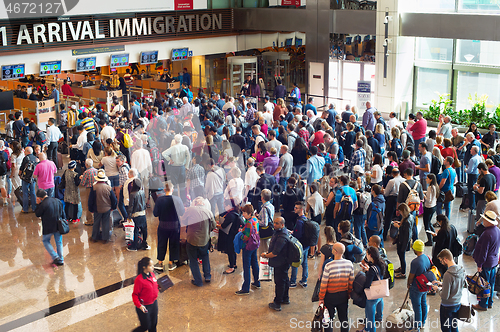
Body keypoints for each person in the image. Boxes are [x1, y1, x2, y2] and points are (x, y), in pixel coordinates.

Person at [319, 242, 354, 332]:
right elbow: (351, 282)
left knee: (328, 320)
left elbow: (324, 284)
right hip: (343, 295)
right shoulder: (349, 264)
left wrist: (321, 298)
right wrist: (349, 293)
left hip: (330, 296)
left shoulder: (328, 266)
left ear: (335, 251)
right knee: (344, 319)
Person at [181, 197, 216, 287]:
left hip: (192, 239)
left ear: (195, 203)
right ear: (203, 204)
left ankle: (198, 281)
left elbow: (183, 221)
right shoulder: (208, 212)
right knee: (205, 257)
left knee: (192, 260)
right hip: (204, 240)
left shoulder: (190, 210)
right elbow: (213, 225)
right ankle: (207, 276)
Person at [430, 249, 465, 332]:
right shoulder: (461, 270)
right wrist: (442, 283)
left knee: (446, 329)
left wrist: (437, 289)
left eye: (441, 261)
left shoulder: (448, 274)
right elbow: (457, 284)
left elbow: (445, 296)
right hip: (457, 304)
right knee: (454, 327)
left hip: (447, 306)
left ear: (445, 259)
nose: (441, 263)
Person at [153, 181, 185, 272]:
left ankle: (159, 263)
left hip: (162, 226)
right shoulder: (177, 199)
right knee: (173, 244)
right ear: (172, 189)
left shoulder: (159, 199)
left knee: (161, 244)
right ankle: (171, 263)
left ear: (164, 189)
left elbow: (155, 214)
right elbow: (182, 213)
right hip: (174, 226)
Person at [472, 210, 500, 311]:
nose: (483, 220)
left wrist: (479, 264)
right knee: (491, 284)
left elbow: (483, 252)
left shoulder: (486, 234)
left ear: (488, 221)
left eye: (484, 219)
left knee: (483, 285)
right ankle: (489, 302)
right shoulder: (497, 230)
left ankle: (483, 304)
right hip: (494, 262)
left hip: (486, 263)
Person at [359, 246, 386, 332]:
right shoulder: (381, 263)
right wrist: (368, 270)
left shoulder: (372, 269)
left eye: (366, 254)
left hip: (372, 295)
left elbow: (367, 284)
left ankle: (370, 330)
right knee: (378, 304)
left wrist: (367, 273)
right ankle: (368, 327)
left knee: (370, 317)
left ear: (370, 255)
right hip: (380, 292)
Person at [35, 189, 65, 266]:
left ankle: (55, 257)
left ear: (39, 198)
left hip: (48, 227)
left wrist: (38, 204)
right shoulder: (57, 200)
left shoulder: (43, 204)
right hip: (58, 225)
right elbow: (63, 213)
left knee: (46, 241)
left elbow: (38, 214)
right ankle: (61, 259)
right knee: (59, 242)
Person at [235, 204, 260, 295]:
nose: (243, 214)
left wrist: (241, 236)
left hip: (248, 246)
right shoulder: (254, 219)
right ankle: (257, 282)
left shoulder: (249, 223)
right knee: (254, 263)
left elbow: (246, 237)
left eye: (244, 213)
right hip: (255, 244)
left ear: (249, 213)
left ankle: (245, 288)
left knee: (246, 266)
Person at [407, 240, 432, 330]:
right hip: (425, 285)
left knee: (417, 307)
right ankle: (422, 323)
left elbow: (411, 276)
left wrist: (408, 284)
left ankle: (416, 327)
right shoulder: (427, 257)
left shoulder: (415, 262)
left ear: (416, 249)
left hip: (416, 287)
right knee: (423, 303)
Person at [88, 170, 117, 243]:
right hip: (107, 209)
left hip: (97, 208)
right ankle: (105, 238)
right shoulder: (108, 188)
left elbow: (91, 199)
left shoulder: (94, 187)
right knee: (105, 223)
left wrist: (90, 208)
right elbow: (114, 200)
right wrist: (113, 208)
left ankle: (94, 237)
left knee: (96, 223)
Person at [132, 257, 159, 332]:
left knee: (153, 324)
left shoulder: (152, 274)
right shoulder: (139, 280)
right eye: (150, 265)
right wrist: (139, 305)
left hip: (154, 303)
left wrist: (160, 287)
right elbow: (135, 294)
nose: (153, 267)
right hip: (144, 306)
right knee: (146, 326)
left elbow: (154, 285)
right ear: (144, 267)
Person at [218, 200, 244, 275]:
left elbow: (223, 226)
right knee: (233, 250)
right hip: (235, 234)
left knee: (230, 251)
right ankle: (234, 264)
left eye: (225, 205)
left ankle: (231, 267)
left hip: (230, 235)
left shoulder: (230, 215)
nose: (224, 207)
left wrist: (216, 225)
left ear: (229, 206)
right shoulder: (237, 212)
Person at [289, 201, 310, 288]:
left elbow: (297, 235)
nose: (294, 209)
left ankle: (293, 281)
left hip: (299, 246)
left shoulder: (299, 222)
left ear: (301, 209)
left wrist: (291, 234)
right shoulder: (306, 219)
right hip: (306, 245)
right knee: (304, 263)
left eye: (296, 208)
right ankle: (304, 281)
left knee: (295, 262)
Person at [126, 178, 149, 251]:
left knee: (135, 231)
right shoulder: (142, 192)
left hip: (135, 215)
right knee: (144, 229)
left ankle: (134, 246)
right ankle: (144, 244)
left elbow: (131, 206)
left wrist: (129, 216)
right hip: (143, 213)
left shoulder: (132, 194)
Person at [393, 203, 413, 279]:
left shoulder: (407, 222)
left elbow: (406, 235)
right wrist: (400, 225)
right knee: (401, 256)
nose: (399, 213)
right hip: (402, 241)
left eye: (400, 211)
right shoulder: (409, 217)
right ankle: (401, 268)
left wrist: (398, 227)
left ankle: (403, 273)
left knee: (402, 257)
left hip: (402, 243)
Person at [19, 146, 37, 213]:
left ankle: (25, 208)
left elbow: (22, 168)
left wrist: (20, 174)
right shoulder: (36, 158)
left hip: (25, 178)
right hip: (32, 178)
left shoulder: (26, 158)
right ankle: (34, 208)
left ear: (28, 152)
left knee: (25, 193)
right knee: (33, 192)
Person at [423, 173, 439, 246]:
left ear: (431, 179)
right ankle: (435, 236)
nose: (426, 179)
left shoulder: (430, 187)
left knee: (426, 224)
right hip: (433, 206)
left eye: (427, 178)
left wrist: (423, 195)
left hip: (428, 207)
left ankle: (430, 240)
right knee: (429, 222)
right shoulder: (435, 186)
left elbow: (428, 199)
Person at [463, 145, 481, 211]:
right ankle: (474, 205)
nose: (470, 150)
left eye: (471, 149)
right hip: (477, 175)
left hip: (472, 176)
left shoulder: (472, 159)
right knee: (475, 190)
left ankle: (471, 206)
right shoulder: (479, 157)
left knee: (471, 191)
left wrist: (465, 170)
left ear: (473, 151)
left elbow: (470, 170)